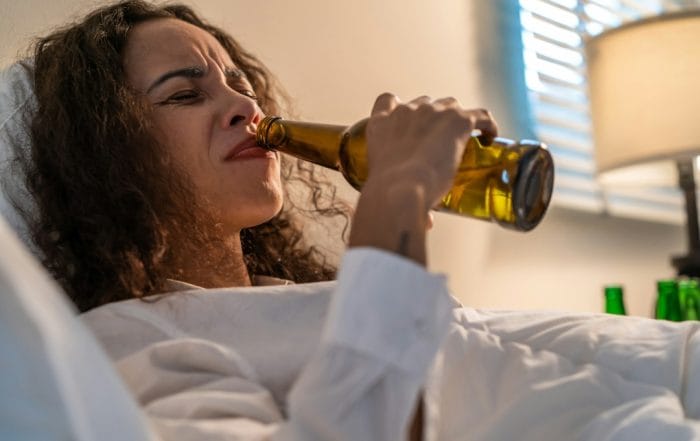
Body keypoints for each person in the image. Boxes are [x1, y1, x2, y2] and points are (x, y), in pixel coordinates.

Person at [7, 1, 700, 440]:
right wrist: (394, 196)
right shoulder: (130, 341)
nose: (245, 107)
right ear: (110, 159)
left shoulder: (295, 297)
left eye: (239, 82)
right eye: (185, 94)